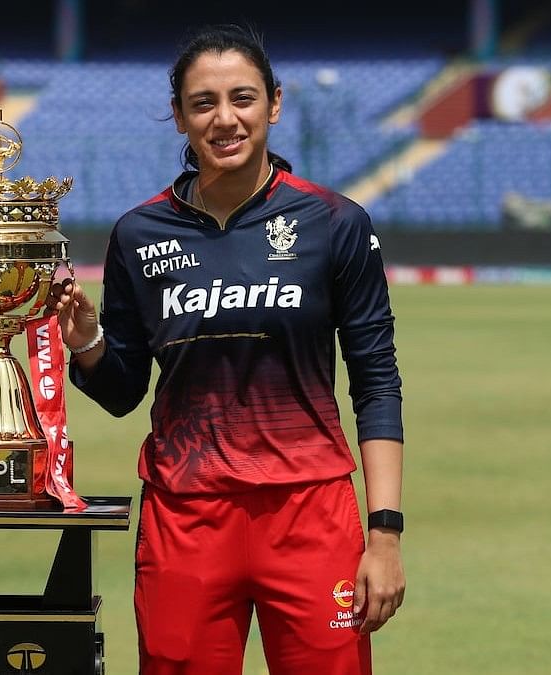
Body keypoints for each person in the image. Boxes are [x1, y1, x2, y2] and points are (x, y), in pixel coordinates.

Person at [50, 25, 406, 674]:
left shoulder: (335, 222)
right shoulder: (138, 232)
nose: (225, 118)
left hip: (310, 510)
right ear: (181, 116)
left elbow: (376, 380)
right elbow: (125, 389)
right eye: (203, 103)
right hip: (186, 515)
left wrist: (383, 532)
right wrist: (89, 342)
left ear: (273, 103)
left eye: (242, 98)